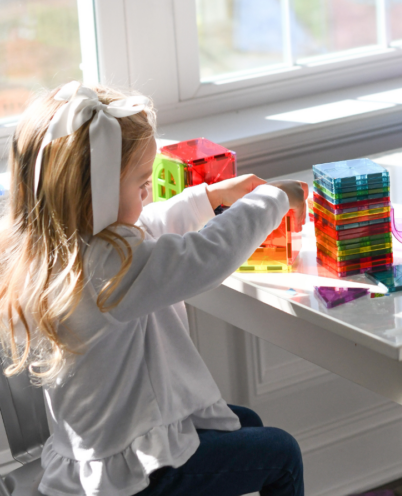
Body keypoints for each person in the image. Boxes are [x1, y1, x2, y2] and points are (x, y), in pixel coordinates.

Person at [0, 82, 307, 496]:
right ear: (96, 194)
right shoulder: (106, 267)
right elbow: (203, 257)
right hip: (131, 478)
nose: (148, 193)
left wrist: (207, 197)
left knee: (245, 423)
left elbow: (147, 227)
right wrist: (271, 200)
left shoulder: (60, 249)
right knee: (281, 455)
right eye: (141, 182)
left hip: (109, 447)